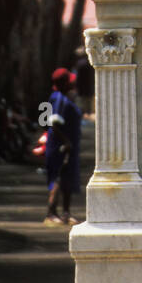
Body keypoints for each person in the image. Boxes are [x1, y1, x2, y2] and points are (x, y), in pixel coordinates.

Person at [44, 69, 82, 226]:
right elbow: (54, 123)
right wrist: (65, 141)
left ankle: (66, 212)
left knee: (67, 178)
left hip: (69, 146)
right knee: (58, 177)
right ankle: (51, 213)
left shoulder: (64, 98)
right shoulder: (58, 99)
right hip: (60, 147)